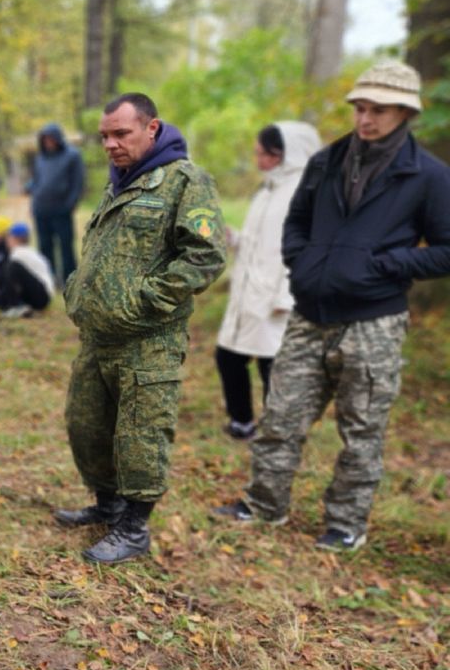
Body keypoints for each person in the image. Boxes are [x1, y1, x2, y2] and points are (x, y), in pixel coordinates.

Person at [215, 61, 450, 550]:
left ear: (404, 112)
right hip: (309, 314)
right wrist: (301, 263)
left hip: (375, 323)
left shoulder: (427, 175)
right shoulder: (326, 161)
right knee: (280, 416)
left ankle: (345, 525)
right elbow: (297, 222)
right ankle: (264, 505)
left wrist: (384, 267)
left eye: (378, 110)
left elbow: (446, 248)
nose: (366, 119)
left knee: (361, 430)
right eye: (361, 108)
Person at [56, 93, 226, 565]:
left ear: (152, 129)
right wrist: (78, 290)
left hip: (147, 338)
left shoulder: (184, 182)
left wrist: (145, 302)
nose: (110, 144)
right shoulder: (120, 182)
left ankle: (134, 527)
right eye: (104, 136)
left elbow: (206, 255)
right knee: (86, 426)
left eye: (121, 134)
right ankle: (107, 505)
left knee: (140, 434)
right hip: (98, 337)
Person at [214, 122, 322, 439]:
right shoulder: (267, 191)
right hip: (249, 291)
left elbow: (306, 250)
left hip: (277, 296)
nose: (258, 160)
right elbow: (260, 240)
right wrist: (233, 238)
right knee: (228, 356)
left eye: (263, 154)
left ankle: (279, 431)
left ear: (281, 155)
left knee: (272, 366)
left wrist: (286, 298)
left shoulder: (304, 193)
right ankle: (242, 421)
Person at [27, 123, 85, 285]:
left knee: (65, 246)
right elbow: (37, 180)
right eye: (45, 139)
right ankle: (48, 277)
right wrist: (32, 194)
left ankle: (69, 279)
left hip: (61, 208)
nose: (48, 142)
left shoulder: (72, 155)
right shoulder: (40, 158)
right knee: (44, 246)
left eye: (51, 138)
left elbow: (78, 182)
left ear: (58, 138)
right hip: (41, 208)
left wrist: (71, 203)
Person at [0, 222, 55, 317]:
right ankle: (10, 305)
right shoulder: (30, 251)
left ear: (14, 238)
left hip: (41, 296)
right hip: (42, 295)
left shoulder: (18, 254)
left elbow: (10, 284)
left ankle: (16, 306)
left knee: (12, 267)